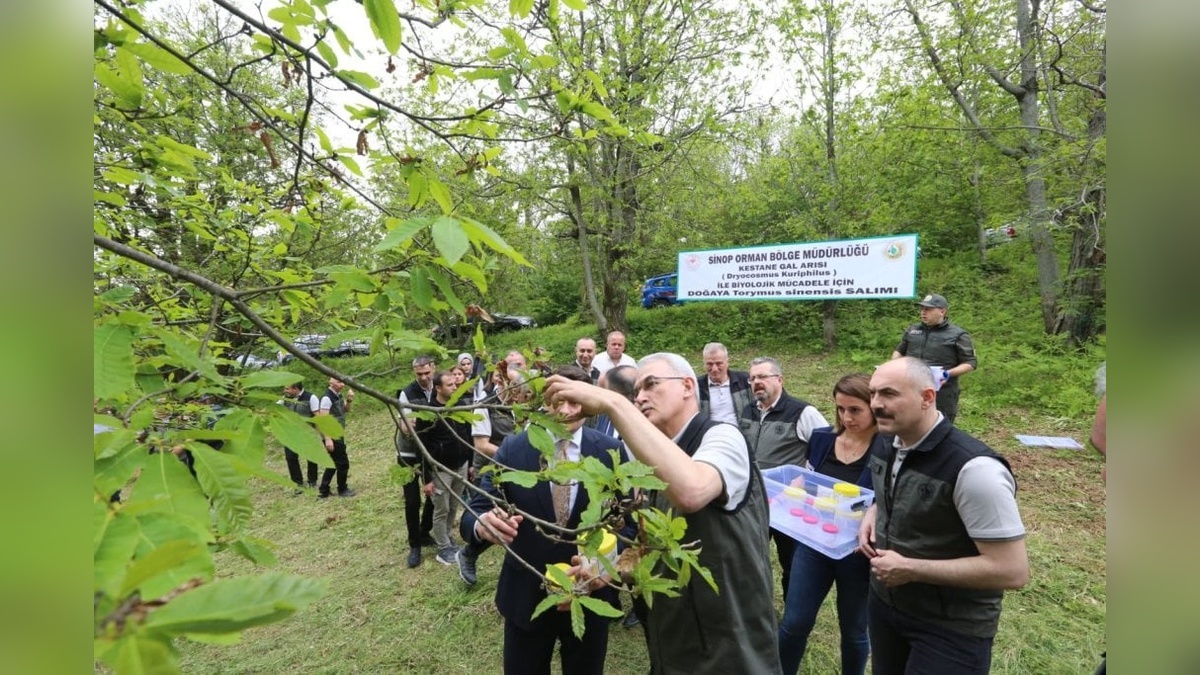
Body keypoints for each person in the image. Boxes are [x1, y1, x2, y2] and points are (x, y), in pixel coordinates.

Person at [544, 353, 782, 674]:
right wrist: (607, 573)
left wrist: (615, 404)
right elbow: (652, 549)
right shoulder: (651, 461)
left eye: (651, 385)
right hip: (672, 644)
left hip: (730, 647)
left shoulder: (723, 437)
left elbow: (692, 490)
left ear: (687, 386)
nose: (640, 397)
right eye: (635, 392)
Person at [858, 357, 1028, 675]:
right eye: (873, 393)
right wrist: (874, 510)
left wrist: (911, 568)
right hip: (885, 606)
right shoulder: (886, 442)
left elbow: (1012, 570)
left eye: (889, 394)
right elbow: (894, 487)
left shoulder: (976, 470)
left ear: (927, 397)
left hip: (951, 629)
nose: (876, 404)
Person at [459, 365, 628, 674]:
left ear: (591, 403)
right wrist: (482, 524)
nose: (565, 410)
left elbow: (627, 520)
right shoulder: (514, 448)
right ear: (545, 402)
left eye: (575, 401)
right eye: (557, 400)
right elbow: (475, 509)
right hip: (527, 595)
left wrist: (604, 565)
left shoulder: (611, 452)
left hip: (589, 596)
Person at [778, 374, 876, 675]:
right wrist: (796, 487)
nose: (847, 417)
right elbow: (808, 479)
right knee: (794, 623)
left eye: (855, 410)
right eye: (840, 409)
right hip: (814, 542)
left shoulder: (888, 447)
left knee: (855, 630)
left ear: (873, 406)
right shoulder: (822, 439)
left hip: (858, 552)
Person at [738, 356, 829, 596]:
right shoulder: (748, 411)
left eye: (763, 377)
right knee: (750, 560)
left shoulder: (802, 412)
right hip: (755, 501)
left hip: (789, 507)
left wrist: (806, 478)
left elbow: (827, 447)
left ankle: (792, 616)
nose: (757, 382)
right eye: (753, 378)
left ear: (779, 379)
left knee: (791, 563)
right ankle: (757, 609)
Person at [456, 371, 534, 586]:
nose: (526, 401)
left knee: (516, 518)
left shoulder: (525, 409)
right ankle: (469, 553)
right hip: (491, 472)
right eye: (523, 395)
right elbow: (481, 445)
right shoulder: (485, 405)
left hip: (520, 473)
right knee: (493, 518)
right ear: (511, 389)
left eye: (529, 397)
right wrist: (514, 454)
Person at [416, 370, 474, 566]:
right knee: (442, 508)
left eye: (455, 384)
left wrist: (471, 462)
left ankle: (448, 538)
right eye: (450, 385)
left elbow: (467, 435)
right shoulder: (429, 413)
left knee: (454, 505)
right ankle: (442, 547)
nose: (455, 387)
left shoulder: (460, 406)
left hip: (461, 465)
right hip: (441, 469)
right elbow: (422, 448)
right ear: (438, 388)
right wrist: (427, 479)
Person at [891, 293, 977, 423]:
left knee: (940, 426)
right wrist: (894, 366)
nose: (923, 313)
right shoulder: (913, 330)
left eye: (928, 309)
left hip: (942, 391)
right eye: (922, 309)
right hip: (912, 387)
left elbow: (970, 362)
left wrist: (947, 373)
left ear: (942, 311)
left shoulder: (958, 334)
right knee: (909, 422)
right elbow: (899, 351)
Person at [397, 355, 438, 567]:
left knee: (434, 494)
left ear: (433, 369)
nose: (423, 377)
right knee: (412, 501)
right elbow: (405, 426)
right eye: (419, 374)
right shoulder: (407, 393)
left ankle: (424, 531)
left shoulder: (440, 387)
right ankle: (415, 545)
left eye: (426, 373)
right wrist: (410, 425)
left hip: (431, 453)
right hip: (408, 456)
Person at [316, 377, 355, 499]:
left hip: (338, 434)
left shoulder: (338, 395)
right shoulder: (327, 398)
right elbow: (323, 420)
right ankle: (342, 489)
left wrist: (349, 400)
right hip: (332, 435)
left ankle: (323, 490)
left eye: (342, 382)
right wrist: (327, 439)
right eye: (338, 382)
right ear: (330, 382)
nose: (342, 384)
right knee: (343, 463)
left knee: (333, 463)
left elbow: (345, 410)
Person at [697, 342, 751, 425]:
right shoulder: (697, 386)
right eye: (709, 364)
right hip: (709, 434)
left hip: (741, 432)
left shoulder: (745, 381)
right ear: (704, 363)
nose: (714, 369)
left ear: (727, 362)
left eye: (719, 363)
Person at [282, 381, 321, 492]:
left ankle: (312, 481)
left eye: (287, 388)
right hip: (290, 434)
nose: (285, 391)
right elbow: (275, 407)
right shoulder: (285, 398)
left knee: (311, 457)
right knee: (290, 458)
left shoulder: (311, 397)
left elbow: (317, 417)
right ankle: (298, 484)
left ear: (296, 389)